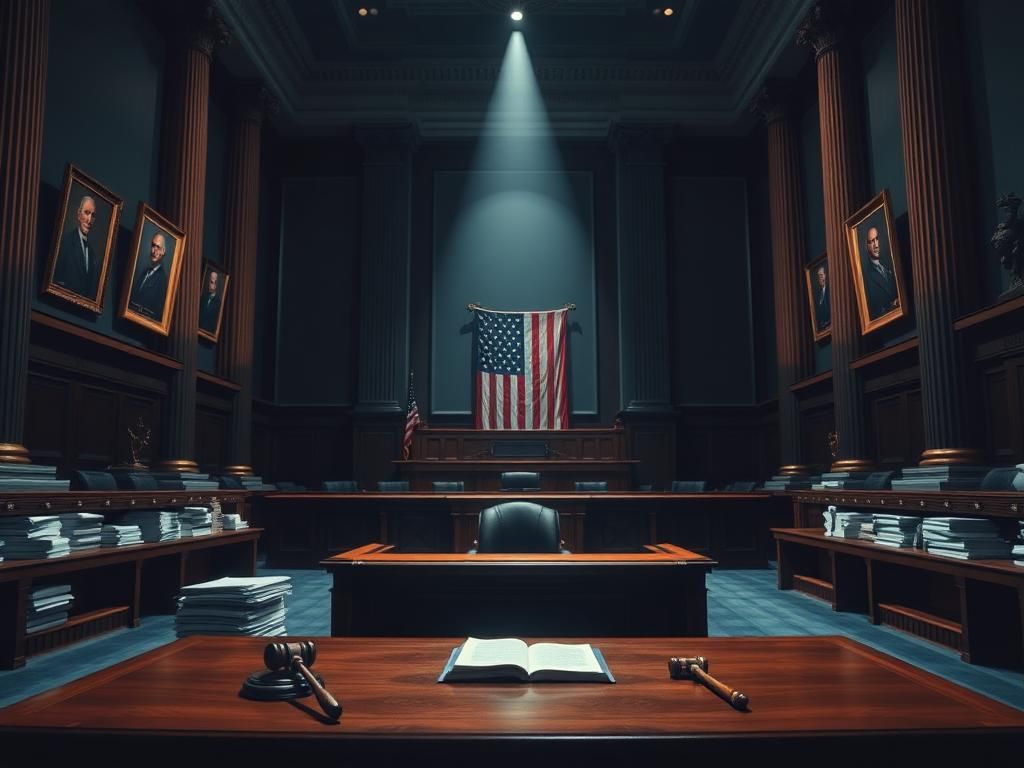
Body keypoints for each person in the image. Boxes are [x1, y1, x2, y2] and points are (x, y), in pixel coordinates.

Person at [53, 195, 100, 298]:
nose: (89, 219)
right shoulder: (66, 242)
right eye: (87, 213)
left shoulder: (92, 253)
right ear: (79, 214)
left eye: (93, 215)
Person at [861, 225, 899, 319]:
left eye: (877, 239)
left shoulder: (888, 264)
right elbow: (872, 312)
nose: (876, 245)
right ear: (866, 246)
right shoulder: (865, 276)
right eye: (871, 242)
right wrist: (891, 306)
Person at [129, 232, 169, 319]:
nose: (153, 251)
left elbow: (157, 313)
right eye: (153, 246)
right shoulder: (145, 272)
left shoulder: (162, 279)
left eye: (158, 247)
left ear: (163, 252)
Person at [198, 268, 223, 333]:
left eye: (212, 282)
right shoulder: (203, 297)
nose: (209, 284)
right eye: (209, 281)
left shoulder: (218, 302)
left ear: (216, 284)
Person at [814, 264, 830, 331]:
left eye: (821, 275)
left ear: (825, 275)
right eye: (818, 276)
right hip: (823, 328)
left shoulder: (830, 289)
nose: (820, 278)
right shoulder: (819, 294)